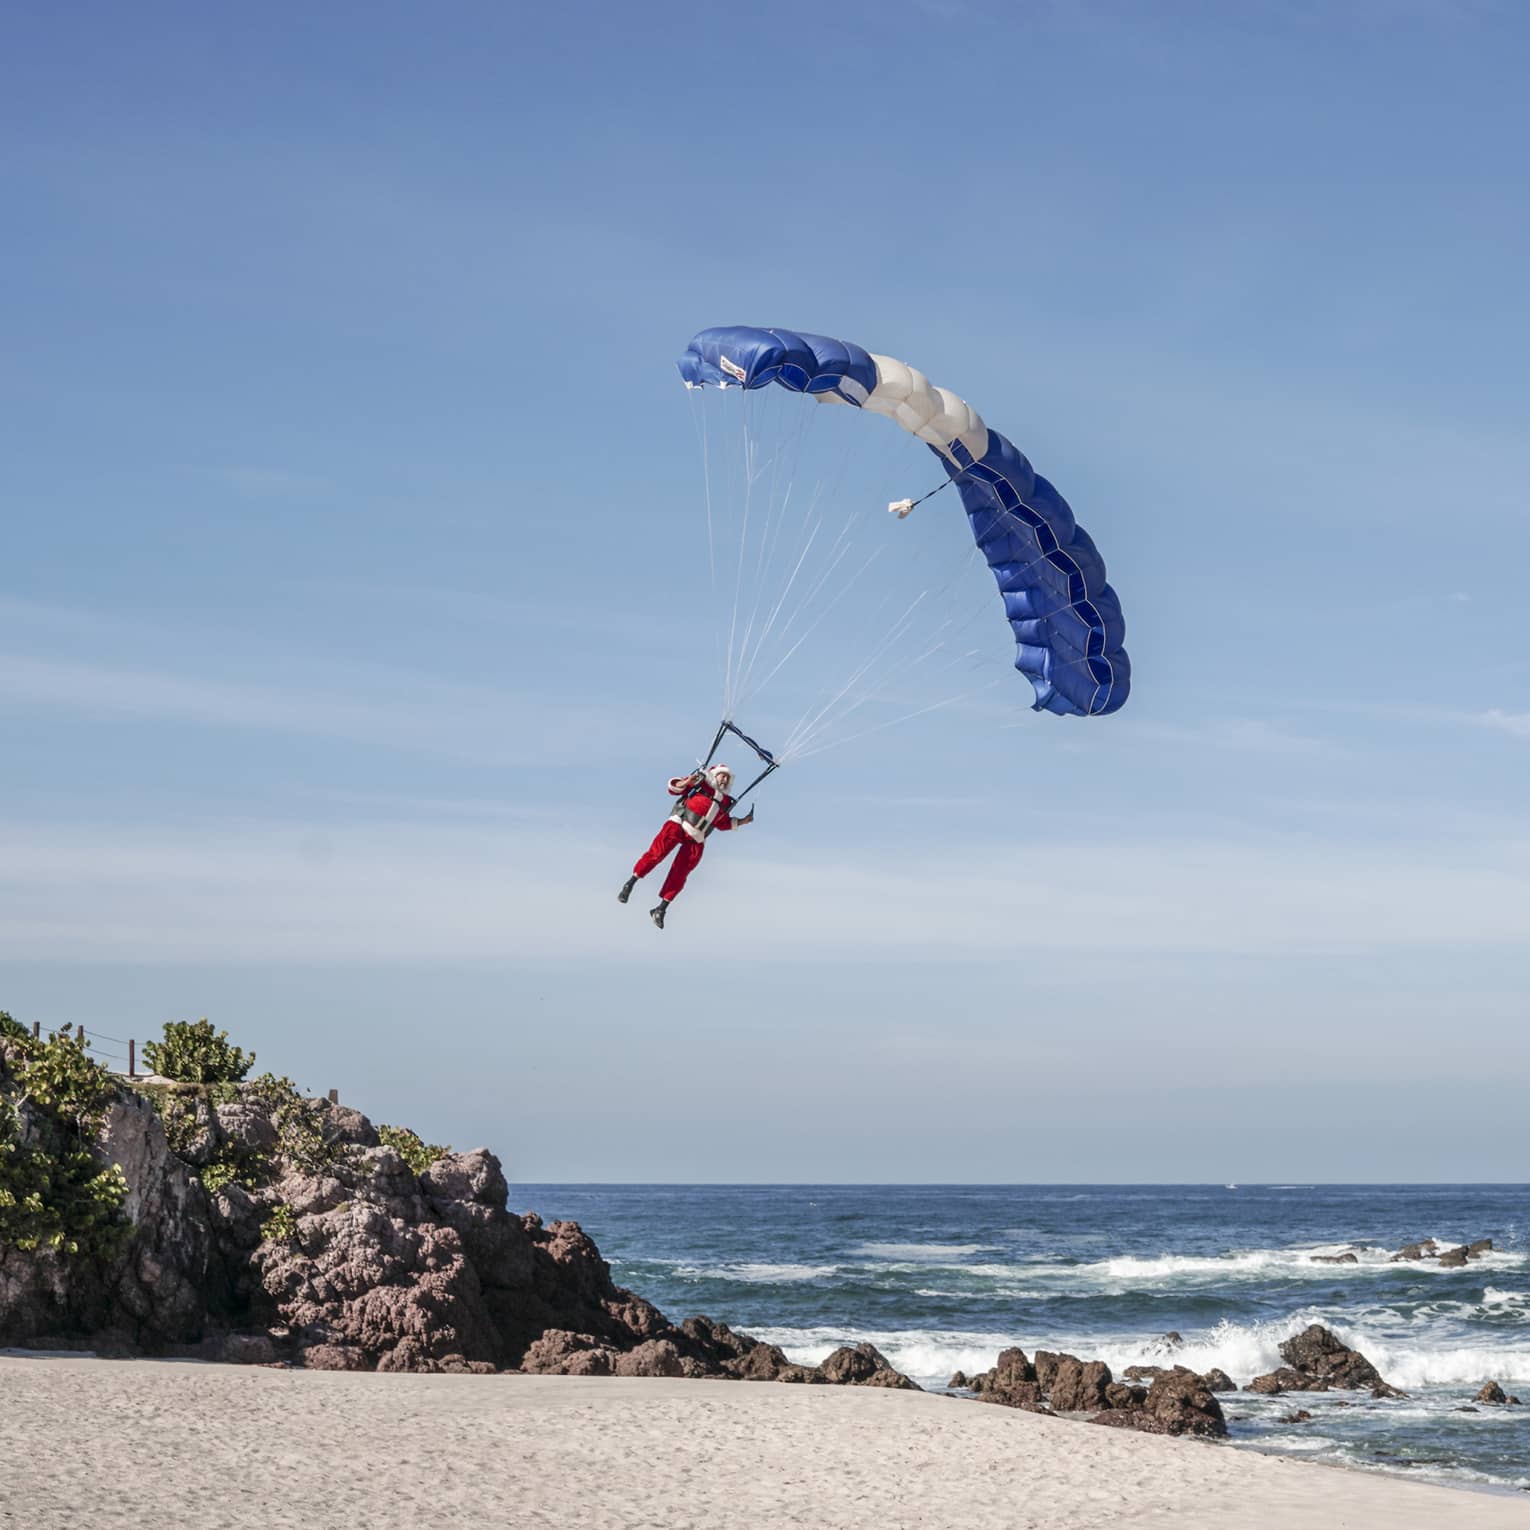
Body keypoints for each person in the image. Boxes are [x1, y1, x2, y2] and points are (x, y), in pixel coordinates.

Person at [619, 764, 754, 928]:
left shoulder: (725, 801)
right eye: (722, 775)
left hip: (696, 837)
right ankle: (630, 883)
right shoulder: (702, 783)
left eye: (727, 777)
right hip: (679, 824)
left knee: (681, 873)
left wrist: (743, 821)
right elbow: (674, 788)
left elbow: (722, 823)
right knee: (657, 854)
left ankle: (661, 909)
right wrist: (686, 782)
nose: (724, 779)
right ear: (714, 775)